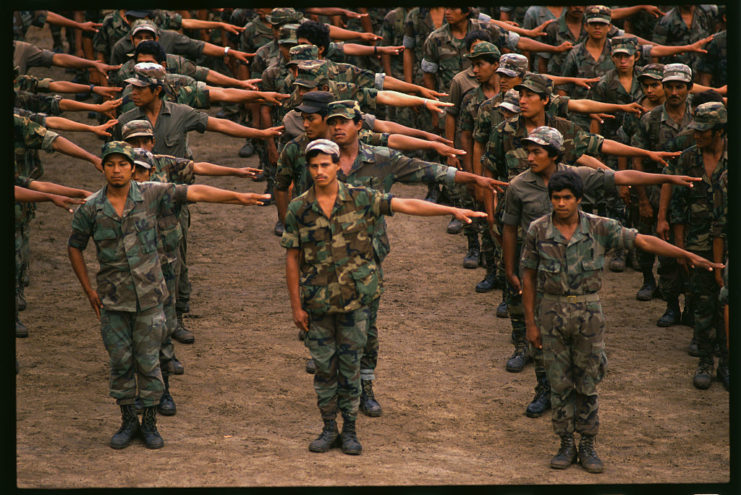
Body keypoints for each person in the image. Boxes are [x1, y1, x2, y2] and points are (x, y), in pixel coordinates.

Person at [281, 138, 486, 455]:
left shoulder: (361, 198)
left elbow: (406, 204)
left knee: (350, 369)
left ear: (337, 166)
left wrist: (451, 209)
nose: (320, 171)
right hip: (317, 302)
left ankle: (349, 430)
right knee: (324, 370)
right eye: (314, 166)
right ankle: (327, 429)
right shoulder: (299, 208)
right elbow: (292, 257)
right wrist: (296, 307)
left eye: (325, 165)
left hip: (355, 301)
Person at [68, 141, 269, 450]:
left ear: (133, 169)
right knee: (121, 362)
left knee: (149, 361)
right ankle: (127, 421)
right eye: (111, 164)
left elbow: (196, 192)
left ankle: (149, 423)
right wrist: (88, 290)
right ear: (104, 167)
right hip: (113, 300)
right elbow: (75, 246)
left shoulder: (150, 193)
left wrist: (239, 197)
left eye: (123, 164)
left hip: (149, 297)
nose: (117, 169)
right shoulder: (92, 207)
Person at [520, 169, 722, 473]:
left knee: (588, 381)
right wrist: (531, 324)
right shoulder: (538, 230)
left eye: (566, 198)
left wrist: (687, 255)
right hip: (551, 314)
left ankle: (587, 444)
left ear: (578, 199)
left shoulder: (599, 228)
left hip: (589, 314)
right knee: (558, 383)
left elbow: (643, 241)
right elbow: (529, 276)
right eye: (556, 198)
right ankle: (565, 443)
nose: (561, 204)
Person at [503, 126, 703, 418]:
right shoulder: (518, 186)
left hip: (574, 271)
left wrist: (667, 178)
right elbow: (509, 228)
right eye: (528, 150)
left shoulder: (577, 177)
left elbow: (621, 177)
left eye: (537, 151)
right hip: (537, 267)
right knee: (543, 339)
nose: (529, 157)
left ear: (555, 154)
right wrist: (510, 269)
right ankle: (544, 389)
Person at [326, 99, 507, 417]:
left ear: (359, 125)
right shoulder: (319, 162)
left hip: (366, 258)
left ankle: (365, 389)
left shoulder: (381, 160)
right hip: (324, 259)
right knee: (328, 325)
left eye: (344, 121)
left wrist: (473, 179)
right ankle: (336, 387)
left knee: (366, 327)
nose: (338, 127)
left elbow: (430, 171)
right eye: (333, 122)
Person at [667, 102, 728, 390]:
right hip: (698, 243)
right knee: (703, 303)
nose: (697, 135)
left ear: (719, 131)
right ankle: (705, 359)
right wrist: (680, 247)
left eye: (703, 131)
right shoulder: (688, 159)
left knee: (727, 307)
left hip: (728, 243)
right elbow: (678, 205)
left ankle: (726, 363)